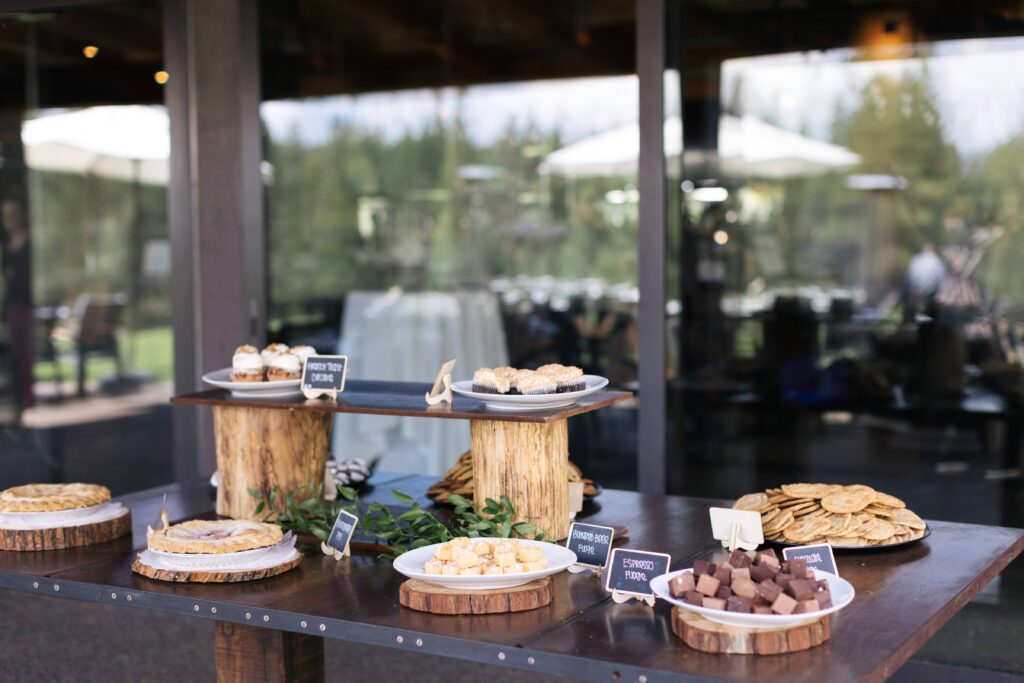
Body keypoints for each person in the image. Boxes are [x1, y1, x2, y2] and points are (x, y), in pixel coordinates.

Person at [2, 197, 33, 411]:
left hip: (29, 307)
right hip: (12, 309)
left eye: (13, 214)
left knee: (28, 356)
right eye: (6, 216)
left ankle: (29, 400)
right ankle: (19, 400)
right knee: (16, 356)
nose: (9, 219)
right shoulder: (5, 249)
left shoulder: (31, 244)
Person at [904, 242, 946, 321]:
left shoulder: (916, 259)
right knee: (933, 301)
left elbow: (908, 276)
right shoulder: (938, 261)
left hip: (914, 290)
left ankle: (912, 317)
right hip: (929, 292)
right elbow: (941, 279)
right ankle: (928, 318)